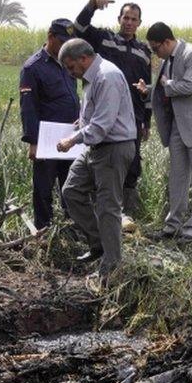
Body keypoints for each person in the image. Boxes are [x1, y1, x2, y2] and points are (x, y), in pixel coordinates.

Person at [56, 39, 136, 277]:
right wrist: (80, 124)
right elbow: (94, 117)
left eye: (71, 67)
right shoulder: (91, 79)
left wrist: (72, 139)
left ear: (83, 58)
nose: (71, 73)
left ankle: (111, 268)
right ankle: (99, 244)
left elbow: (102, 125)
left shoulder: (106, 76)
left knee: (107, 207)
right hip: (96, 147)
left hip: (113, 148)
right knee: (71, 190)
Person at [136, 22, 192, 241]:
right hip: (177, 127)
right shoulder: (168, 60)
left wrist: (167, 84)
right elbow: (169, 88)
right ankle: (172, 226)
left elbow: (190, 87)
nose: (155, 54)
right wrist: (151, 90)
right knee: (177, 178)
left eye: (156, 48)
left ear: (166, 42)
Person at [73, 0, 152, 217]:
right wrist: (91, 6)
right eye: (126, 17)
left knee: (132, 162)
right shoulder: (104, 39)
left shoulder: (144, 51)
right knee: (101, 158)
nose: (129, 22)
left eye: (134, 19)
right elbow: (78, 28)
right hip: (103, 111)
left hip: (133, 115)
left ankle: (125, 216)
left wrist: (147, 120)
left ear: (139, 23)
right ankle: (100, 210)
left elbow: (148, 87)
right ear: (119, 18)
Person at [19, 19, 80, 229]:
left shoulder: (67, 64)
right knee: (43, 188)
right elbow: (28, 107)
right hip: (46, 138)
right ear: (50, 36)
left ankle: (71, 228)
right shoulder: (33, 67)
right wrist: (33, 142)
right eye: (62, 40)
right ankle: (44, 231)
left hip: (70, 137)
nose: (65, 46)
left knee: (70, 186)